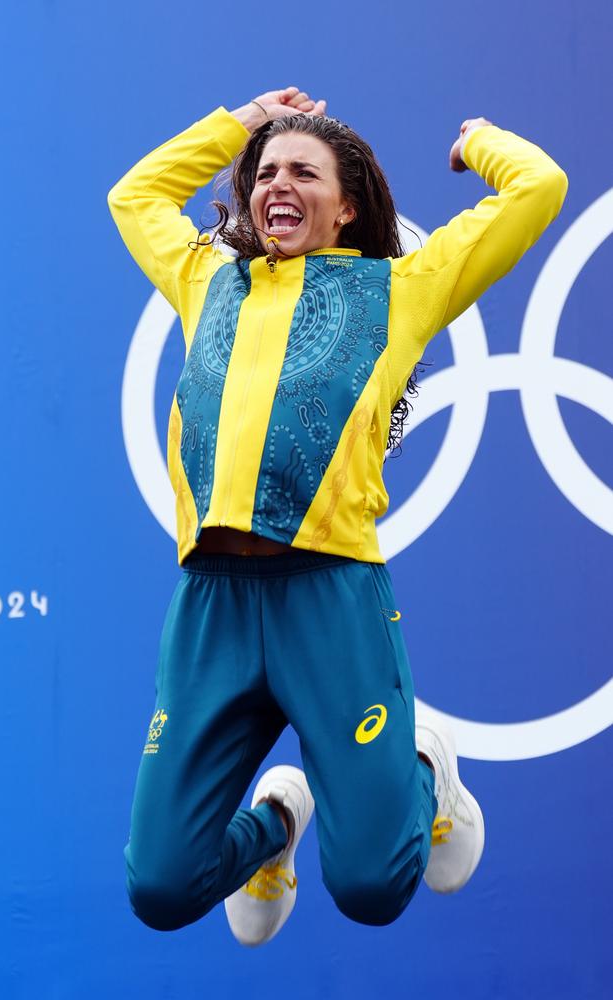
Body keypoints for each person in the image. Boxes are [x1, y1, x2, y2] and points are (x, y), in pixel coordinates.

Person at [107, 86, 568, 944]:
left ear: (347, 204)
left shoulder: (401, 290)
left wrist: (479, 138)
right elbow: (133, 197)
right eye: (266, 173)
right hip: (211, 606)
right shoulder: (205, 276)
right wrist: (237, 125)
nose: (278, 183)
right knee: (162, 890)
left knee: (371, 887)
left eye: (304, 173)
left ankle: (427, 769)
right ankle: (279, 823)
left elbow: (538, 186)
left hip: (329, 599)